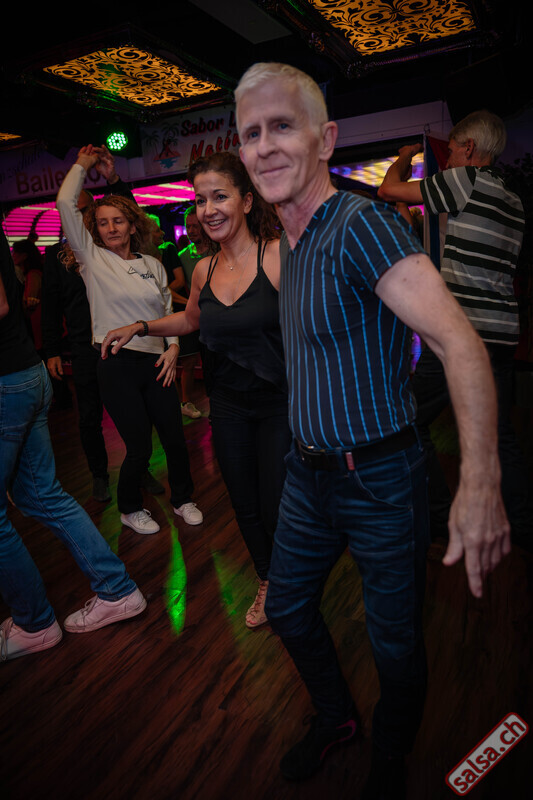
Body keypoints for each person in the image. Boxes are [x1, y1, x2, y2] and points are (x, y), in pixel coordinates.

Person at [234, 63, 510, 798]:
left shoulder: (360, 225)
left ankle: (391, 751)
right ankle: (337, 719)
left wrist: (480, 482)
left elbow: (460, 342)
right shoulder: (289, 240)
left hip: (382, 479)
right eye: (250, 133)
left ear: (325, 139)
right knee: (287, 608)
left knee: (393, 643)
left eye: (281, 126)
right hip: (307, 475)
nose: (263, 146)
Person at [101, 151, 291, 629]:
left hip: (279, 404)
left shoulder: (278, 255)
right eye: (201, 200)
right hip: (228, 406)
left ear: (246, 200)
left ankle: (293, 585)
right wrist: (142, 326)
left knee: (278, 505)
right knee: (244, 503)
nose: (208, 209)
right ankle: (268, 581)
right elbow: (190, 321)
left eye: (219, 196)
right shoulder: (204, 269)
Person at [378, 111, 532, 547]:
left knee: (407, 418)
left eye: (451, 152)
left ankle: (438, 522)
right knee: (497, 436)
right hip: (500, 332)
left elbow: (387, 188)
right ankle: (524, 533)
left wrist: (406, 156)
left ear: (469, 148)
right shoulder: (513, 200)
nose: (445, 162)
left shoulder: (466, 181)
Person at [0, 227, 146, 662]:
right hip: (23, 374)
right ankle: (117, 590)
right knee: (42, 494)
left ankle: (34, 624)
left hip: (7, 382)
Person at [56, 145, 203, 534]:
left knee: (174, 439)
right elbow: (65, 202)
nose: (111, 228)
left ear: (132, 225)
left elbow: (167, 313)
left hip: (157, 362)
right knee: (139, 447)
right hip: (117, 365)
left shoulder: (153, 264)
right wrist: (83, 165)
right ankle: (129, 508)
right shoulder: (92, 260)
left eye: (118, 221)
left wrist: (173, 349)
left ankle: (183, 499)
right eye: (103, 223)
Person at [42, 147, 164, 503]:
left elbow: (129, 214)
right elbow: (50, 303)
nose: (82, 217)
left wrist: (113, 179)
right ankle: (99, 474)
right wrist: (52, 350)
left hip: (124, 343)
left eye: (87, 211)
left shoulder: (112, 251)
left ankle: (140, 467)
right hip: (84, 345)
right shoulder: (61, 255)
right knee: (89, 416)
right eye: (77, 211)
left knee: (137, 411)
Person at [173, 206, 215, 419]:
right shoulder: (181, 256)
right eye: (188, 226)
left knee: (214, 363)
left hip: (216, 316)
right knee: (191, 362)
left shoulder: (218, 251)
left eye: (195, 226)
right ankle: (189, 403)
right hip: (194, 317)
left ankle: (217, 405)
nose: (191, 231)